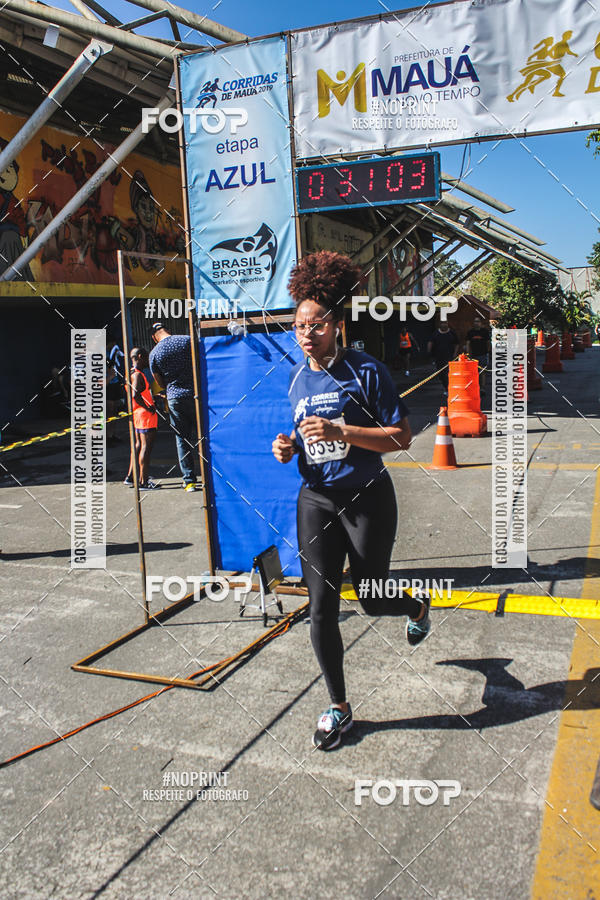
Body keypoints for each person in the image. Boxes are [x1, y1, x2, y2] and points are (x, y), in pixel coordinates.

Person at [272, 251, 431, 752]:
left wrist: (342, 430)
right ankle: (338, 706)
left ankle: (416, 606)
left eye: (315, 324)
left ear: (336, 325)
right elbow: (305, 434)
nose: (305, 333)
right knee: (321, 606)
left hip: (367, 498)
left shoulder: (368, 370)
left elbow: (402, 437)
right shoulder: (298, 379)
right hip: (316, 498)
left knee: (370, 596)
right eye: (298, 325)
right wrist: (288, 446)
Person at [149, 323, 199, 492]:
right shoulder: (187, 340)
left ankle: (189, 481)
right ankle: (212, 474)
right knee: (204, 435)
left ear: (154, 338)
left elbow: (159, 382)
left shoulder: (154, 353)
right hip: (196, 394)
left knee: (182, 439)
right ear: (168, 330)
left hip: (175, 398)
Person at [124, 347, 159, 491]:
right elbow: (136, 395)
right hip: (145, 415)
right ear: (139, 356)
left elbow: (139, 394)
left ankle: (131, 477)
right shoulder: (137, 375)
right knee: (146, 447)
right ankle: (143, 482)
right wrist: (149, 407)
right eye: (146, 358)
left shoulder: (130, 373)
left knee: (138, 445)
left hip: (138, 414)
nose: (147, 361)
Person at [427, 321, 458, 394]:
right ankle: (446, 387)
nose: (444, 325)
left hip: (449, 357)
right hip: (439, 357)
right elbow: (430, 342)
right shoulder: (435, 333)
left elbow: (457, 344)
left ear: (447, 324)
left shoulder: (452, 333)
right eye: (442, 323)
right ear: (440, 324)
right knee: (441, 375)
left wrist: (455, 353)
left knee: (447, 373)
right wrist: (429, 351)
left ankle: (449, 389)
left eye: (445, 323)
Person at [106, 336, 125, 443]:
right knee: (108, 411)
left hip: (113, 384)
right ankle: (107, 437)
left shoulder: (111, 353)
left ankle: (111, 435)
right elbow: (111, 370)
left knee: (113, 411)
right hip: (107, 385)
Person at [466, 315, 491, 393]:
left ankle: (482, 388)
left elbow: (488, 342)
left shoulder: (484, 332)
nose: (476, 323)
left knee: (482, 371)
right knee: (474, 373)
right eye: (475, 321)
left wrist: (488, 352)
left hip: (483, 354)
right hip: (473, 355)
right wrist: (468, 354)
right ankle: (475, 387)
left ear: (481, 323)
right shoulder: (470, 332)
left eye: (478, 321)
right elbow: (468, 343)